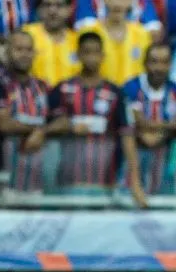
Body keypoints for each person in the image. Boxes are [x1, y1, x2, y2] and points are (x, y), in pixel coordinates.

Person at [44, 31, 146, 207]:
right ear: (78, 55)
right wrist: (66, 126)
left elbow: (127, 137)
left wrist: (135, 182)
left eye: (95, 52)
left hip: (105, 182)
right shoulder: (62, 89)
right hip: (67, 181)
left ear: (103, 55)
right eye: (86, 52)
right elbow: (49, 128)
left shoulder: (116, 93)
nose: (91, 57)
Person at [123, 43, 176, 196]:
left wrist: (158, 131)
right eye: (154, 61)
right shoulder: (132, 87)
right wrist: (172, 128)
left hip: (166, 161)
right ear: (144, 63)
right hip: (134, 159)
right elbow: (139, 124)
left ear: (170, 64)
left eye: (164, 62)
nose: (159, 67)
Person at [0, 30, 48, 192]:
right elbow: (4, 124)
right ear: (6, 51)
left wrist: (44, 130)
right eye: (18, 49)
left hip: (36, 181)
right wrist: (38, 130)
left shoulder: (43, 87)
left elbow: (61, 120)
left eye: (28, 49)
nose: (24, 54)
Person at [22, 0, 79, 87]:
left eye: (59, 5)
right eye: (47, 5)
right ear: (39, 10)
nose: (52, 11)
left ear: (69, 9)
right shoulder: (27, 34)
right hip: (35, 97)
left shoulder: (78, 40)